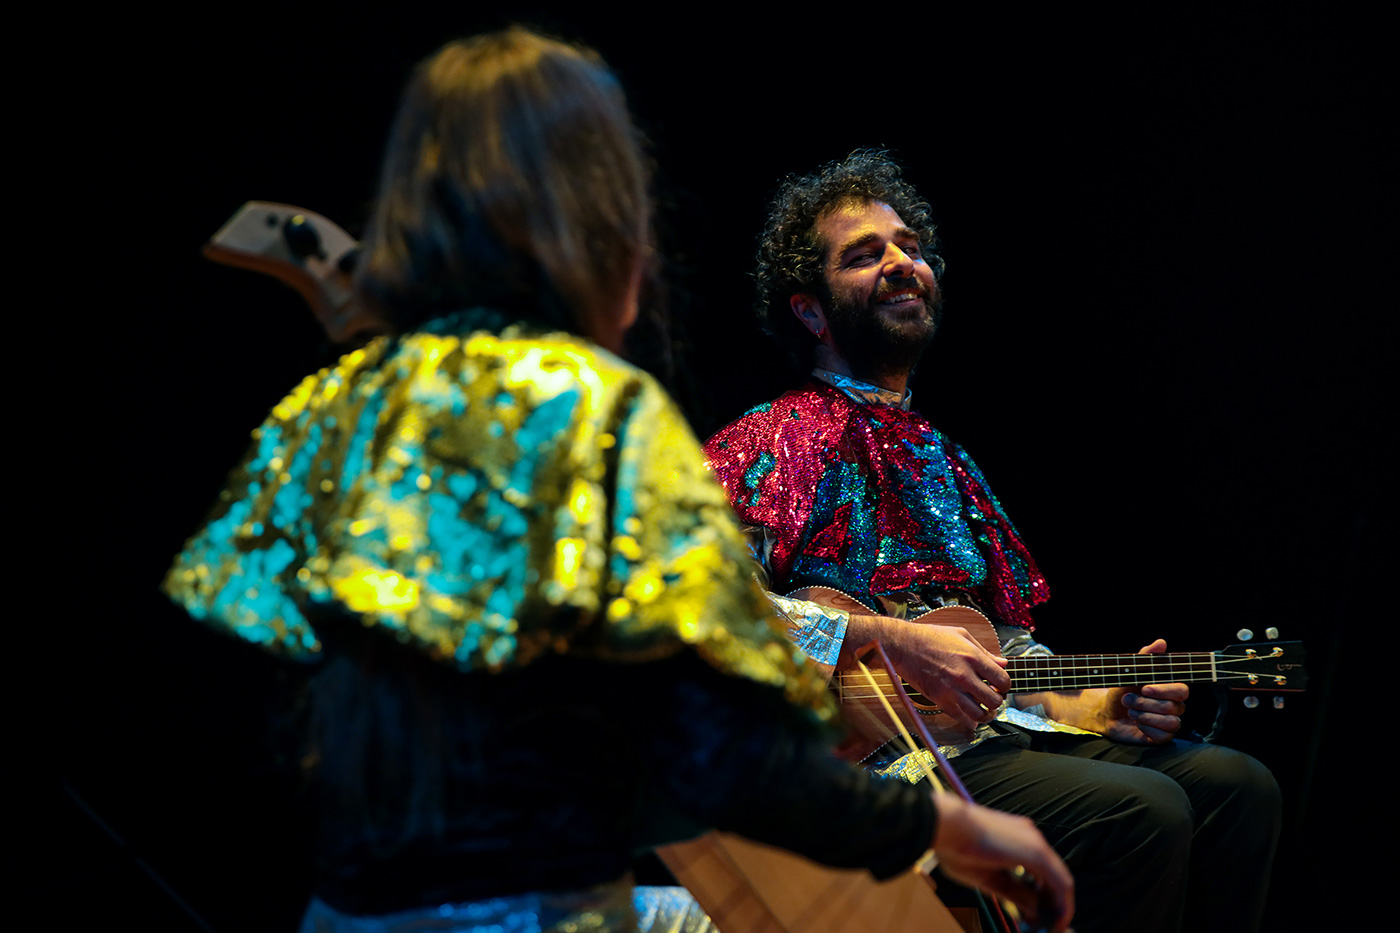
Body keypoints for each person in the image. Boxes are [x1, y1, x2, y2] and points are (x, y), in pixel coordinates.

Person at [162, 32, 1072, 933]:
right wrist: (937, 823)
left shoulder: (337, 402)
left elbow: (233, 688)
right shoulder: (596, 409)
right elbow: (724, 756)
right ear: (600, 217)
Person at [704, 150, 1280, 933]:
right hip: (853, 767)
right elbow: (701, 609)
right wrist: (887, 640)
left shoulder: (946, 459)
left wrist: (1101, 702)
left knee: (1237, 786)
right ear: (810, 310)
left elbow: (998, 649)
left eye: (910, 247)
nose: (904, 264)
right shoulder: (763, 442)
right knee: (1142, 811)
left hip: (978, 742)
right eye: (867, 254)